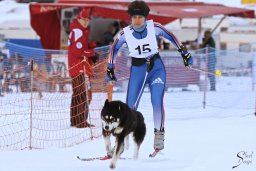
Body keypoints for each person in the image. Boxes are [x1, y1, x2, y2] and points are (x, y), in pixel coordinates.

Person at [105, 0, 193, 153]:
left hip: (156, 69)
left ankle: (159, 137)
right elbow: (114, 50)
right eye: (134, 17)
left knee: (156, 100)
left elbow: (171, 37)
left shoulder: (155, 27)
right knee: (130, 108)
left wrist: (184, 53)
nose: (137, 20)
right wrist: (110, 69)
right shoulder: (125, 33)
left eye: (140, 17)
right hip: (138, 71)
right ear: (131, 18)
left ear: (145, 17)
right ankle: (121, 144)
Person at [68, 8, 98, 128]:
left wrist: (91, 47)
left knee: (77, 95)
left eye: (87, 20)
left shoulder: (78, 31)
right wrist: (92, 53)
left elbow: (79, 48)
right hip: (79, 68)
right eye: (83, 19)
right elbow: (78, 51)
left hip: (76, 67)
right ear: (78, 19)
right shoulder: (78, 31)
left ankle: (75, 121)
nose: (85, 22)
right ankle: (81, 122)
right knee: (84, 95)